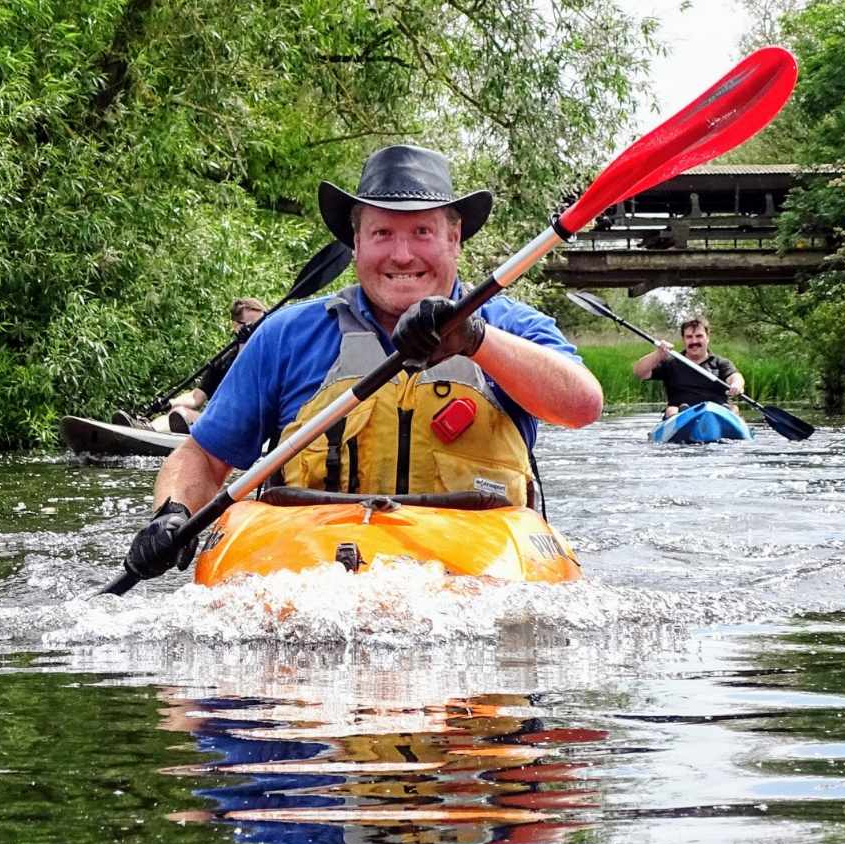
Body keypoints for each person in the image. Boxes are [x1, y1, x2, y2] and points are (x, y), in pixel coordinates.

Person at [123, 144, 603, 577]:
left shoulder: (512, 327)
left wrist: (476, 339)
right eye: (381, 233)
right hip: (312, 568)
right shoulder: (287, 335)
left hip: (474, 563)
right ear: (357, 242)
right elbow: (204, 456)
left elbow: (582, 406)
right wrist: (173, 512)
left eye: (422, 231)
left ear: (454, 238)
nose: (402, 254)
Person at [149, 297, 267, 434]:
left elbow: (243, 382)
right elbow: (197, 397)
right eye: (252, 326)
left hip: (252, 426)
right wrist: (170, 402)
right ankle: (147, 429)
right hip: (222, 421)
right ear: (236, 327)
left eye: (262, 324)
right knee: (177, 411)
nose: (259, 330)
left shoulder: (272, 354)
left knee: (185, 414)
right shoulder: (225, 359)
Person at [632, 315, 744, 419]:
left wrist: (736, 385)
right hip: (680, 413)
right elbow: (639, 372)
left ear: (707, 337)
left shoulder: (721, 363)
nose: (694, 341)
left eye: (699, 336)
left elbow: (735, 377)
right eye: (689, 337)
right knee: (671, 410)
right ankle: (685, 416)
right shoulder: (671, 362)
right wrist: (658, 354)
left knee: (734, 409)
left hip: (717, 412)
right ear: (683, 339)